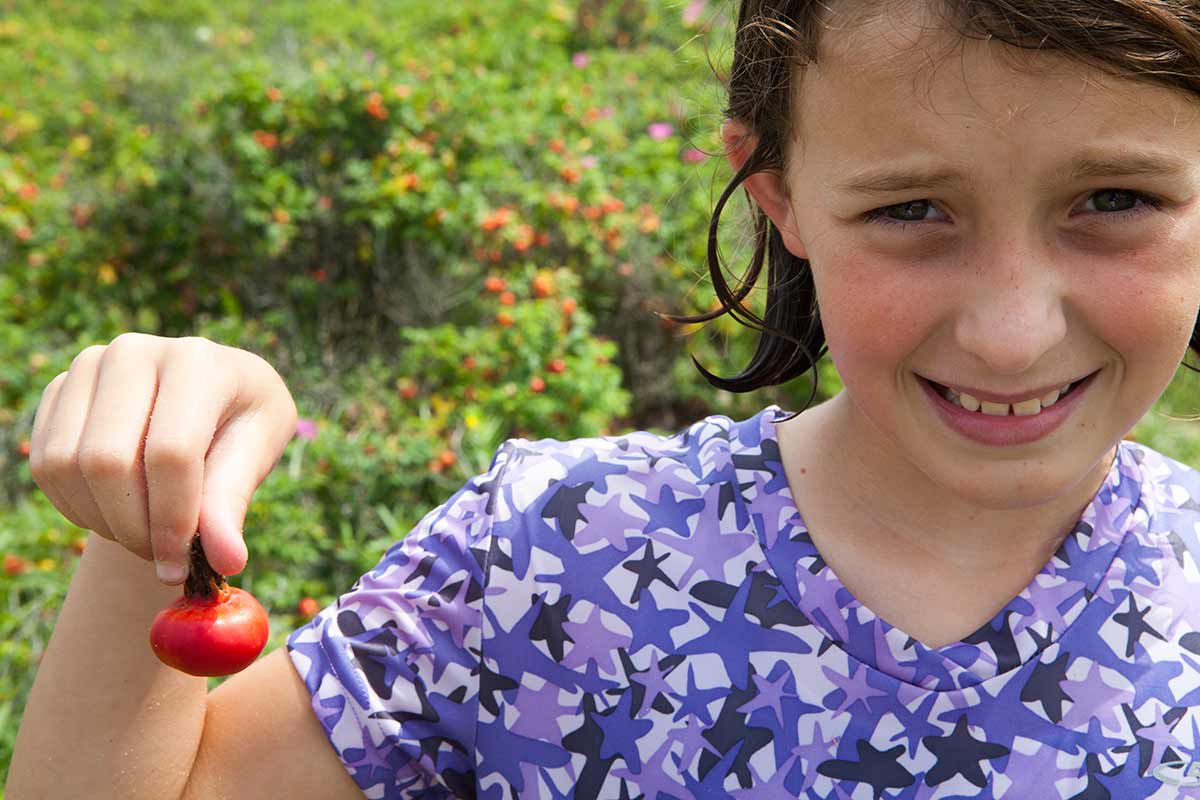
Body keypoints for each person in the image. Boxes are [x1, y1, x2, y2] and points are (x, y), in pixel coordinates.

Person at [10, 1, 1200, 798]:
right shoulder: (554, 553)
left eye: (1114, 199)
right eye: (909, 210)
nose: (1011, 327)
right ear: (779, 198)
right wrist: (159, 514)